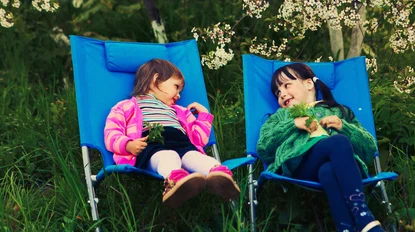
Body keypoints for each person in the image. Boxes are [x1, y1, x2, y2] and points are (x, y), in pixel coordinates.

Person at [257, 63, 385, 232]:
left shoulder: (338, 111)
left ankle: (346, 229)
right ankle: (363, 216)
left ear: (309, 84)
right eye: (277, 92)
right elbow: (264, 148)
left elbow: (369, 148)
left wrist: (343, 126)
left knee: (328, 171)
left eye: (287, 85)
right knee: (338, 142)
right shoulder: (281, 116)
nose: (282, 94)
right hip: (300, 165)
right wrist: (293, 124)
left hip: (341, 167)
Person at [104, 58, 240, 208]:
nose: (179, 95)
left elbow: (199, 140)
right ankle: (176, 181)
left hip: (182, 143)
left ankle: (220, 176)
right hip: (152, 146)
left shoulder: (180, 111)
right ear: (155, 79)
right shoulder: (126, 106)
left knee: (195, 156)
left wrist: (204, 117)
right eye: (176, 87)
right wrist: (128, 145)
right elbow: (111, 133)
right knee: (169, 156)